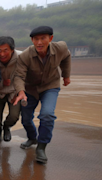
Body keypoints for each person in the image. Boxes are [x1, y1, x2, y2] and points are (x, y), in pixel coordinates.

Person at [13, 26, 71, 164]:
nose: (39, 42)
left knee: (47, 115)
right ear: (32, 40)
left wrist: (66, 76)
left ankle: (41, 146)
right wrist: (21, 92)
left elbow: (67, 57)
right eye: (36, 39)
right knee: (26, 119)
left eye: (43, 38)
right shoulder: (25, 56)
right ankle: (32, 138)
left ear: (50, 38)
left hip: (50, 86)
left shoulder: (60, 48)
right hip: (30, 89)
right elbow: (19, 76)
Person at [0, 36, 22, 146]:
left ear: (12, 50)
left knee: (14, 116)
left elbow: (25, 76)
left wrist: (20, 91)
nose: (2, 54)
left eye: (5, 50)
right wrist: (2, 82)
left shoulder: (21, 57)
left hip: (14, 92)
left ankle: (7, 127)